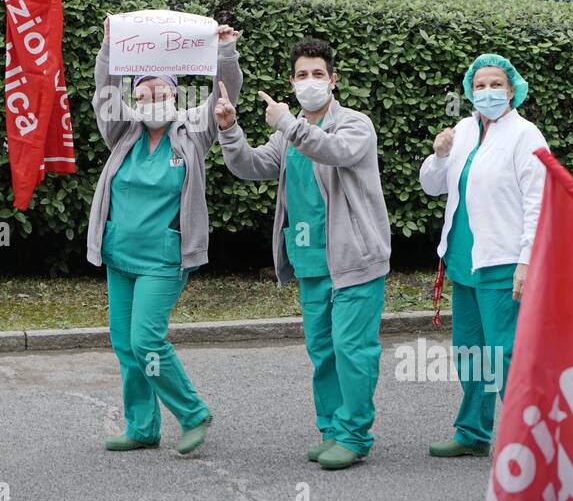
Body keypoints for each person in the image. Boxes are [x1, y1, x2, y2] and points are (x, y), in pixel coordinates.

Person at [216, 38, 391, 471]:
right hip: (310, 260)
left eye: (317, 74)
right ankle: (331, 429)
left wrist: (287, 124)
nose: (309, 82)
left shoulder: (355, 124)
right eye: (301, 75)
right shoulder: (290, 136)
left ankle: (354, 435)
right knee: (323, 350)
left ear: (333, 81)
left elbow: (334, 151)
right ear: (291, 82)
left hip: (355, 260)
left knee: (353, 349)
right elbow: (251, 166)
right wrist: (229, 129)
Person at [86, 16, 241, 456]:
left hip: (164, 259)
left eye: (160, 91)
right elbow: (105, 89)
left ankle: (192, 413)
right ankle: (141, 426)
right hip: (120, 254)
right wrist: (110, 45)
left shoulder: (193, 131)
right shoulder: (122, 131)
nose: (151, 98)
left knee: (146, 339)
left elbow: (224, 94)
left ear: (175, 93)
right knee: (124, 343)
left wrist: (225, 51)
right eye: (143, 92)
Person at [419, 53, 548, 458]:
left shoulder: (526, 136)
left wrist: (527, 260)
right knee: (470, 351)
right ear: (469, 91)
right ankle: (474, 431)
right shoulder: (463, 129)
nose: (487, 92)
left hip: (504, 261)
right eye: (480, 85)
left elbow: (538, 203)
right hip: (462, 260)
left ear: (512, 90)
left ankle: (525, 442)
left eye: (496, 85)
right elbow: (432, 186)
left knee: (506, 353)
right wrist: (439, 153)